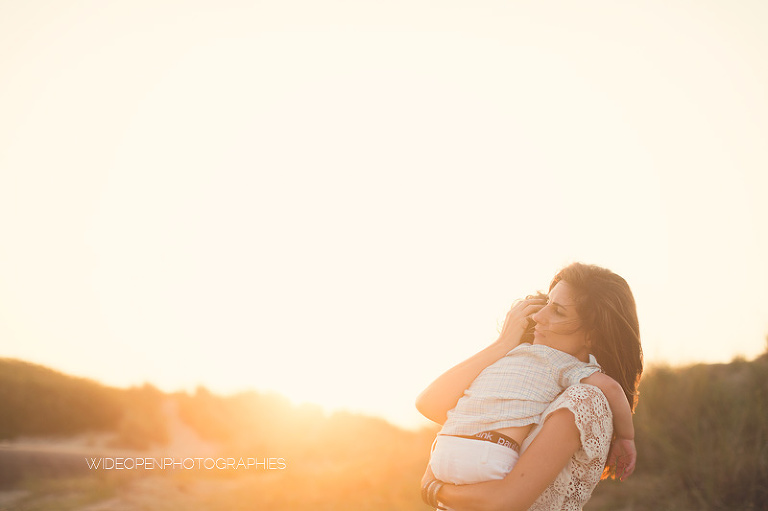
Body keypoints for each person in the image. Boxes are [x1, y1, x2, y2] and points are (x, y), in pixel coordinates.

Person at [417, 262, 643, 511]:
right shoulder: (528, 379)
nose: (538, 317)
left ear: (592, 336)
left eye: (557, 311)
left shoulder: (583, 399)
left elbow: (504, 502)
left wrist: (435, 489)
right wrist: (502, 345)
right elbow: (429, 404)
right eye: (546, 304)